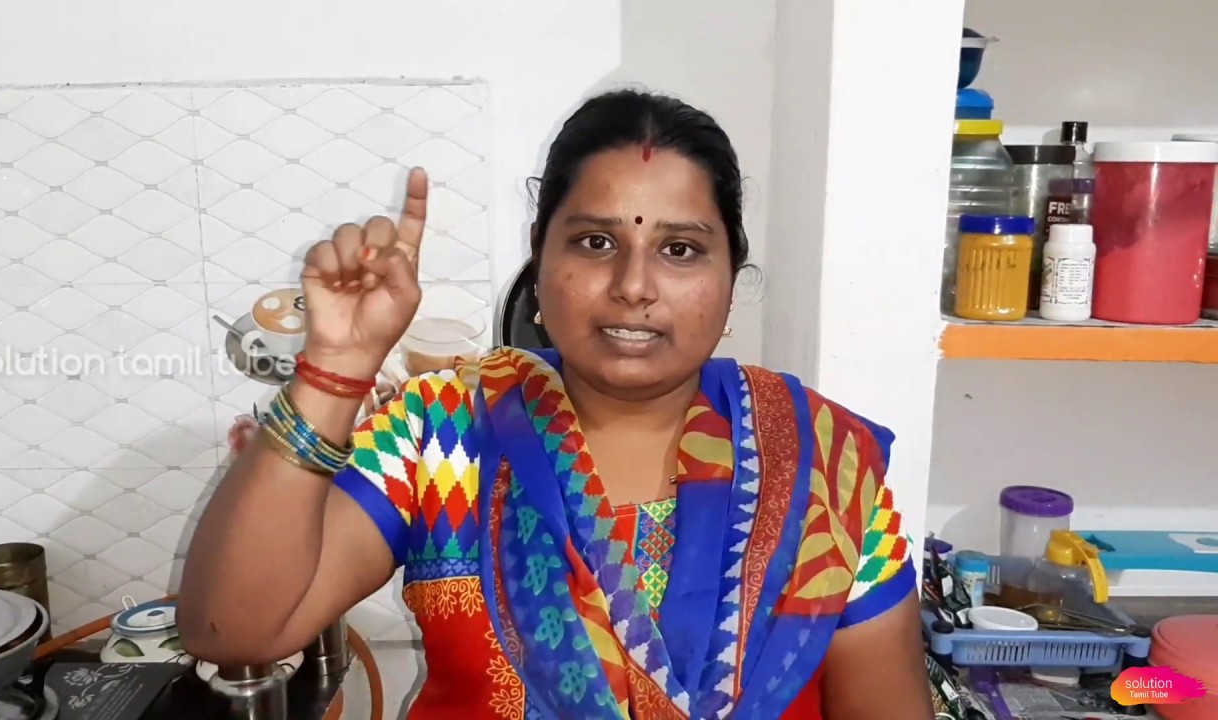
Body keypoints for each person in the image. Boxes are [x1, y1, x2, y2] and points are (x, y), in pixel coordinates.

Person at [179, 89, 933, 719]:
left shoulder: (819, 467)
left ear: (731, 277)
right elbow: (234, 630)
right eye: (596, 243)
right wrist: (336, 369)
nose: (633, 286)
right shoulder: (444, 432)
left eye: (679, 250)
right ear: (540, 260)